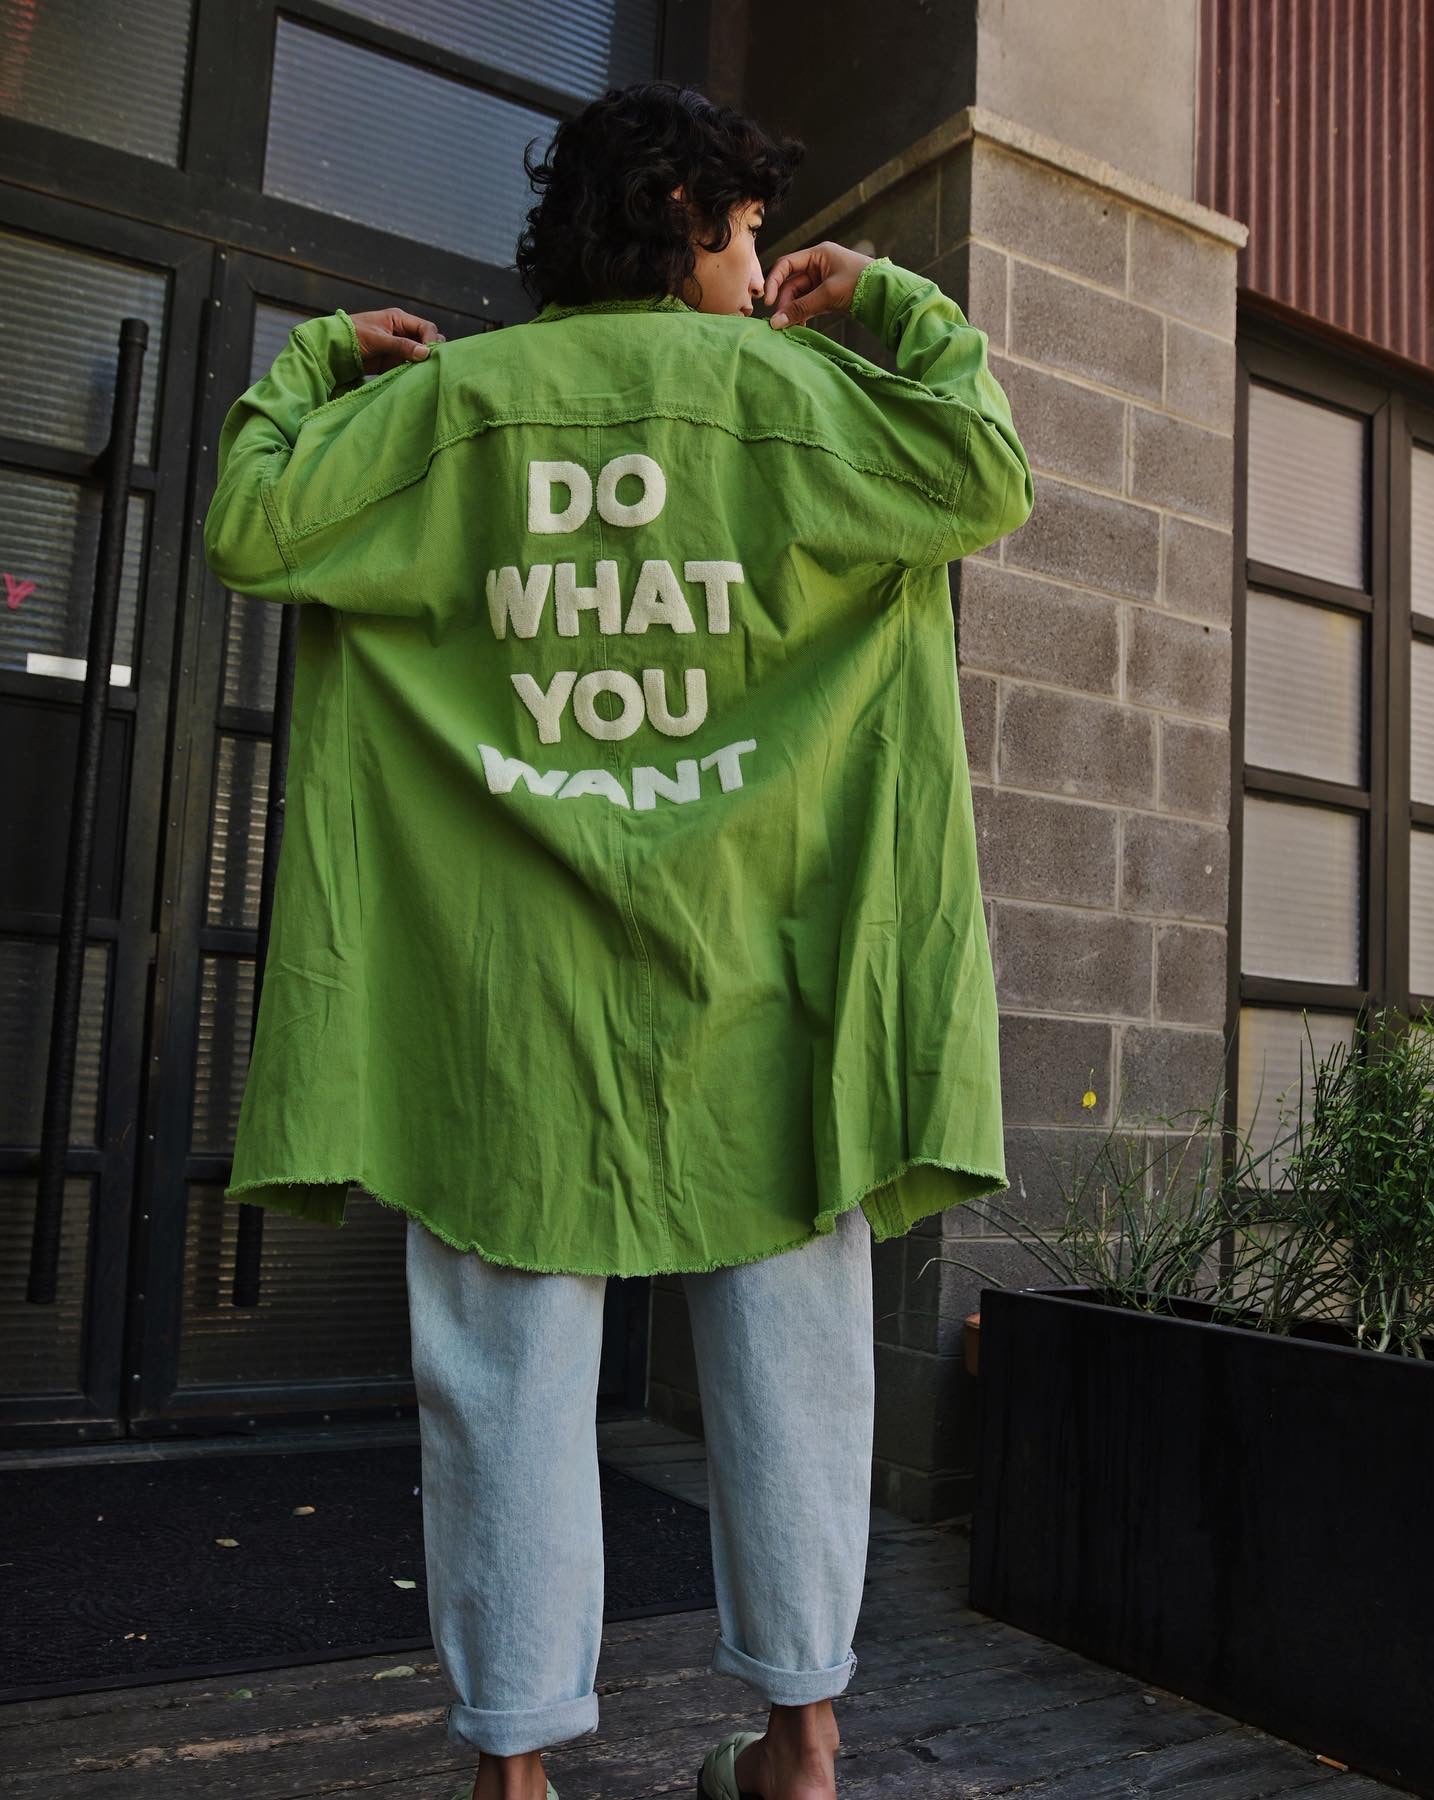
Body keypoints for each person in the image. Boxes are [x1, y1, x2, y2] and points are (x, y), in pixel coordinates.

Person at [204, 79, 1032, 1800]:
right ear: (679, 216)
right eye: (743, 236)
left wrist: (313, 365)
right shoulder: (805, 401)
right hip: (757, 988)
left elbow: (252, 524)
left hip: (511, 1006)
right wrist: (886, 300)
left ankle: (516, 1773)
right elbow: (984, 468)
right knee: (795, 1362)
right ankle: (800, 1745)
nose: (760, 273)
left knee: (502, 1375)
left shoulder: (451, 409)